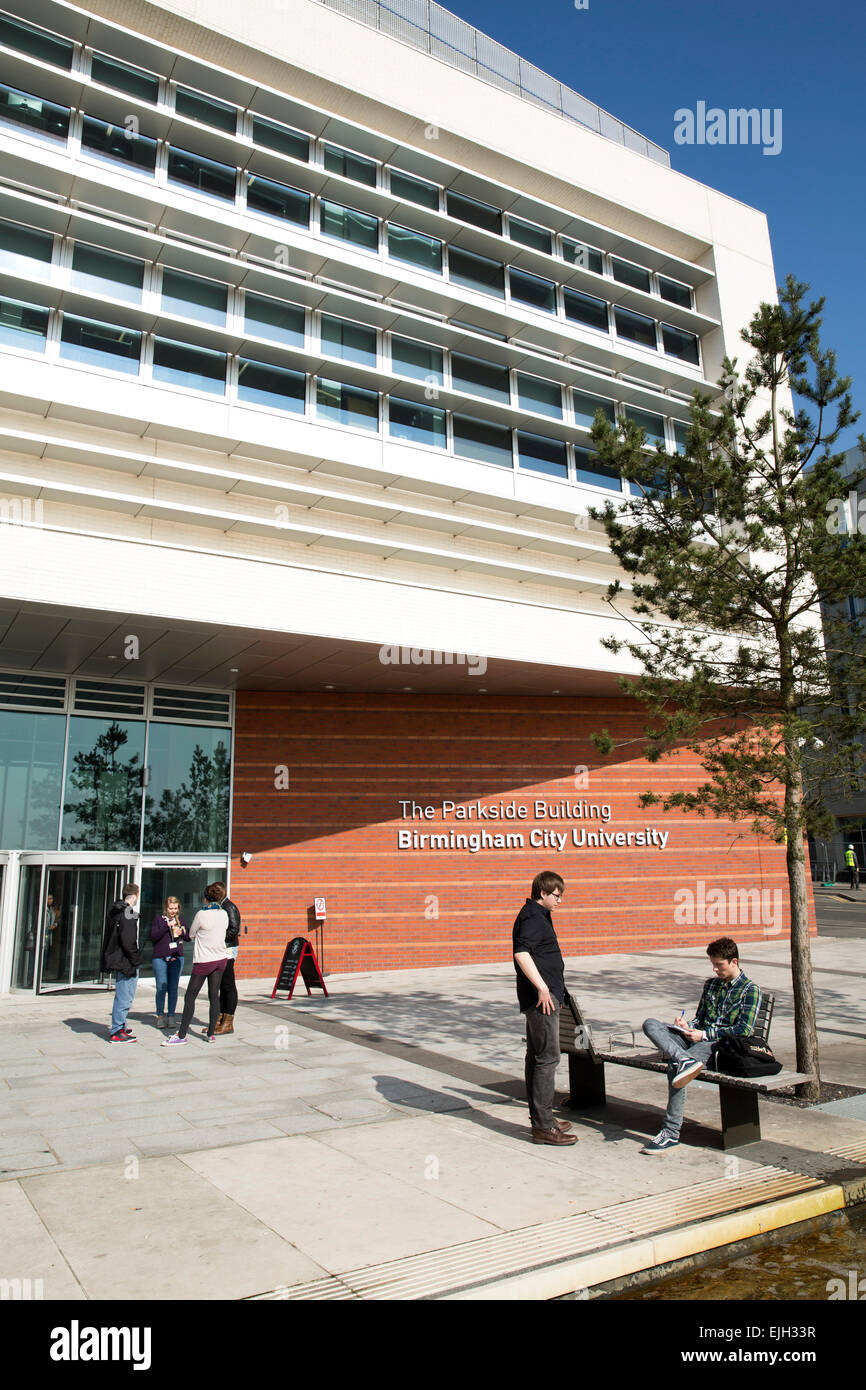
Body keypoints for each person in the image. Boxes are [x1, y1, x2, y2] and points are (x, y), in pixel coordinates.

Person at [640, 936, 762, 1154]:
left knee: (675, 1068)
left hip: (719, 1045)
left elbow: (744, 1030)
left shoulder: (750, 990)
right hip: (694, 1039)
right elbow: (701, 1018)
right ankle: (683, 1058)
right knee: (651, 1024)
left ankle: (670, 1133)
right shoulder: (711, 985)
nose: (715, 969)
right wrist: (687, 1026)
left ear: (734, 961)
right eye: (713, 964)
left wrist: (704, 1035)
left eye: (719, 965)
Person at [512, 870, 577, 1146]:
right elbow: (521, 952)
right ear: (543, 893)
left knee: (537, 1057)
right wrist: (542, 987)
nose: (559, 901)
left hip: (545, 997)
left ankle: (543, 1118)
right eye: (556, 895)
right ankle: (543, 1126)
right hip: (542, 1000)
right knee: (547, 1058)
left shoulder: (538, 916)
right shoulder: (532, 918)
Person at [162, 884, 228, 1046]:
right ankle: (211, 1033)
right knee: (214, 995)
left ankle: (182, 1034)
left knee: (190, 996)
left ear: (206, 898)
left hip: (204, 960)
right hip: (221, 958)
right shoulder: (224, 914)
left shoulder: (201, 914)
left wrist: (183, 932)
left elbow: (191, 934)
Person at [102, 883, 142, 1044]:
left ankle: (121, 1025)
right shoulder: (127, 913)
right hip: (125, 960)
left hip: (118, 956)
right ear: (135, 895)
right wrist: (136, 958)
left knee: (123, 994)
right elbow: (128, 940)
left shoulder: (116, 911)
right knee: (125, 996)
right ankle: (117, 1030)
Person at [150, 895, 188, 1029]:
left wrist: (182, 932)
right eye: (170, 908)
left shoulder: (181, 919)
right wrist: (167, 927)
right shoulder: (158, 920)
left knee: (173, 988)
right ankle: (160, 1016)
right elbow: (153, 936)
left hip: (176, 957)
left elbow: (188, 937)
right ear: (166, 908)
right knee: (161, 987)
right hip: (160, 957)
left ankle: (171, 1015)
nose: (173, 911)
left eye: (175, 908)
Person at [211, 882, 241, 1035]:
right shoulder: (222, 906)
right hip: (223, 947)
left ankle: (228, 1021)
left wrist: (219, 937)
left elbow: (234, 929)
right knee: (222, 984)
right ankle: (221, 1018)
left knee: (228, 984)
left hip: (228, 948)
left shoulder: (229, 907)